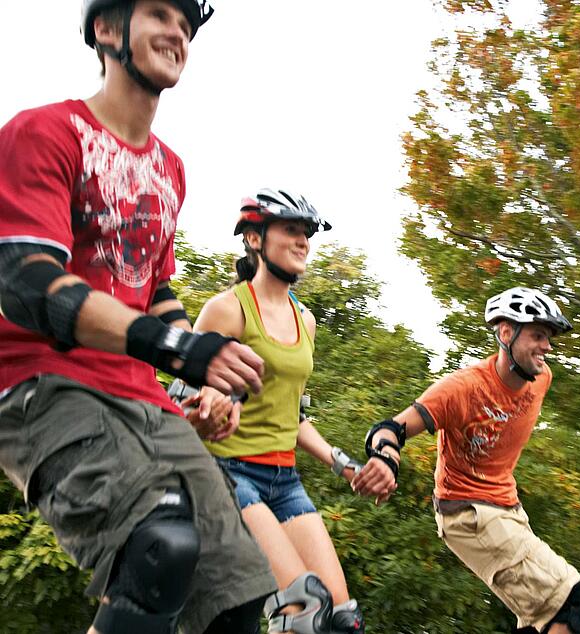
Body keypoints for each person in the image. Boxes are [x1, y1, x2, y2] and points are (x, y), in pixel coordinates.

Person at [0, 1, 279, 632]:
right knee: (161, 546)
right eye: (158, 13)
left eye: (186, 25)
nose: (177, 33)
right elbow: (27, 281)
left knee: (234, 596)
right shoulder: (43, 132)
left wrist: (200, 376)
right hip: (43, 382)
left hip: (142, 394)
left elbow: (153, 290)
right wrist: (179, 349)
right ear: (106, 29)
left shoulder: (169, 169)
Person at [351, 287, 580, 633]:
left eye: (550, 338)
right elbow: (391, 429)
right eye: (538, 335)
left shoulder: (541, 378)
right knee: (573, 601)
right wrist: (385, 458)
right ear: (506, 332)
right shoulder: (462, 389)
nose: (547, 347)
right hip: (468, 513)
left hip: (509, 509)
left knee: (537, 621)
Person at [187, 188, 365, 634]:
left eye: (307, 232)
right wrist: (211, 399)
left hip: (284, 480)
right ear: (254, 238)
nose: (304, 240)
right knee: (303, 609)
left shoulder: (306, 321)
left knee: (342, 620)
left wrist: (343, 465)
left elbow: (294, 417)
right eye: (291, 230)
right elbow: (181, 397)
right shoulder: (226, 310)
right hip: (229, 475)